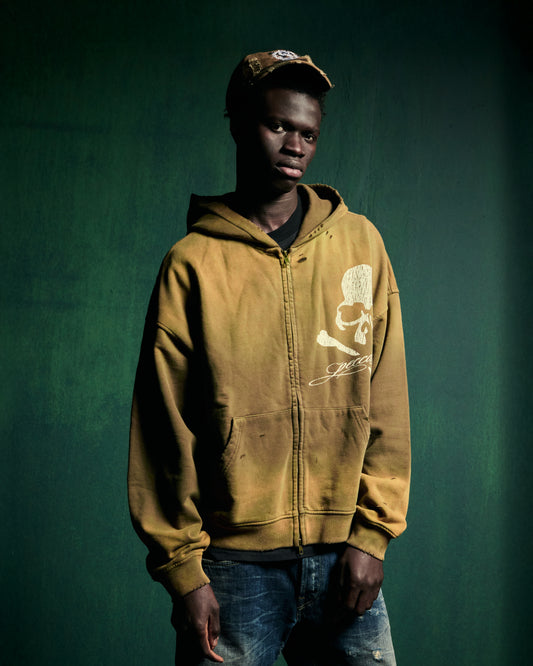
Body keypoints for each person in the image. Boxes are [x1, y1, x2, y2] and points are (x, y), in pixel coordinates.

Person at [128, 49, 410, 666]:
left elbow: (386, 396)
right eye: (277, 125)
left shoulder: (361, 245)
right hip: (233, 567)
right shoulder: (193, 265)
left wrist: (373, 535)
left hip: (344, 555)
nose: (295, 146)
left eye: (308, 133)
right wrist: (184, 572)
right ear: (236, 122)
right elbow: (161, 429)